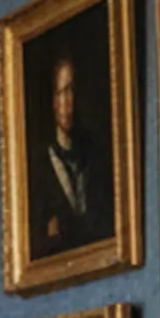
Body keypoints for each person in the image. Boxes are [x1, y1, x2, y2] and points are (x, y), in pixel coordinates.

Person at [34, 50, 104, 253]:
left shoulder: (92, 155)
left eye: (72, 91)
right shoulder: (41, 161)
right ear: (53, 101)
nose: (68, 101)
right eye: (62, 92)